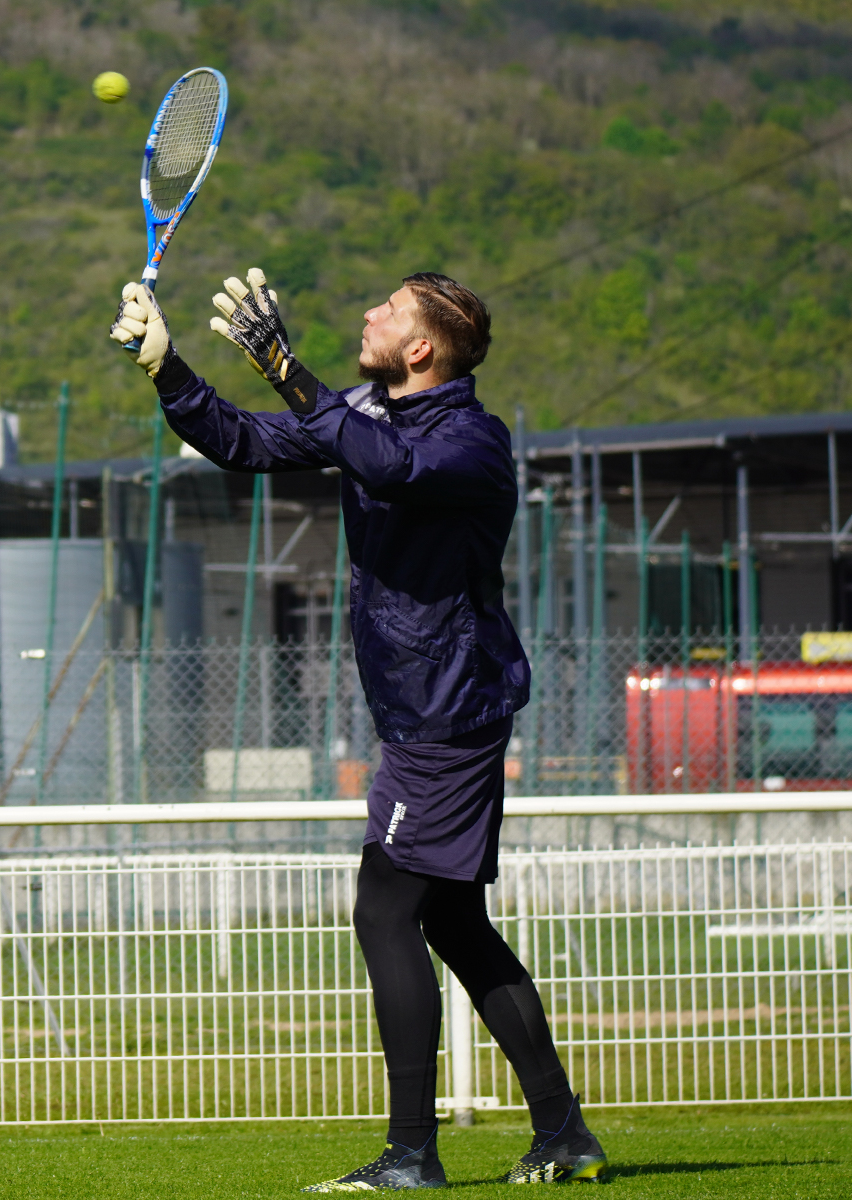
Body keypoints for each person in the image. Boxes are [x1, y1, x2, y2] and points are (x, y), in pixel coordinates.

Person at [109, 271, 608, 1189]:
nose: (368, 313)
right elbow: (245, 443)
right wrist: (167, 368)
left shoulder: (471, 440)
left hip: (448, 717)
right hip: (422, 714)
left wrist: (286, 367)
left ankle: (414, 1156)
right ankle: (565, 1135)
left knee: (383, 912)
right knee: (453, 922)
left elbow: (388, 467)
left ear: (422, 349)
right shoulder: (368, 408)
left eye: (388, 310)